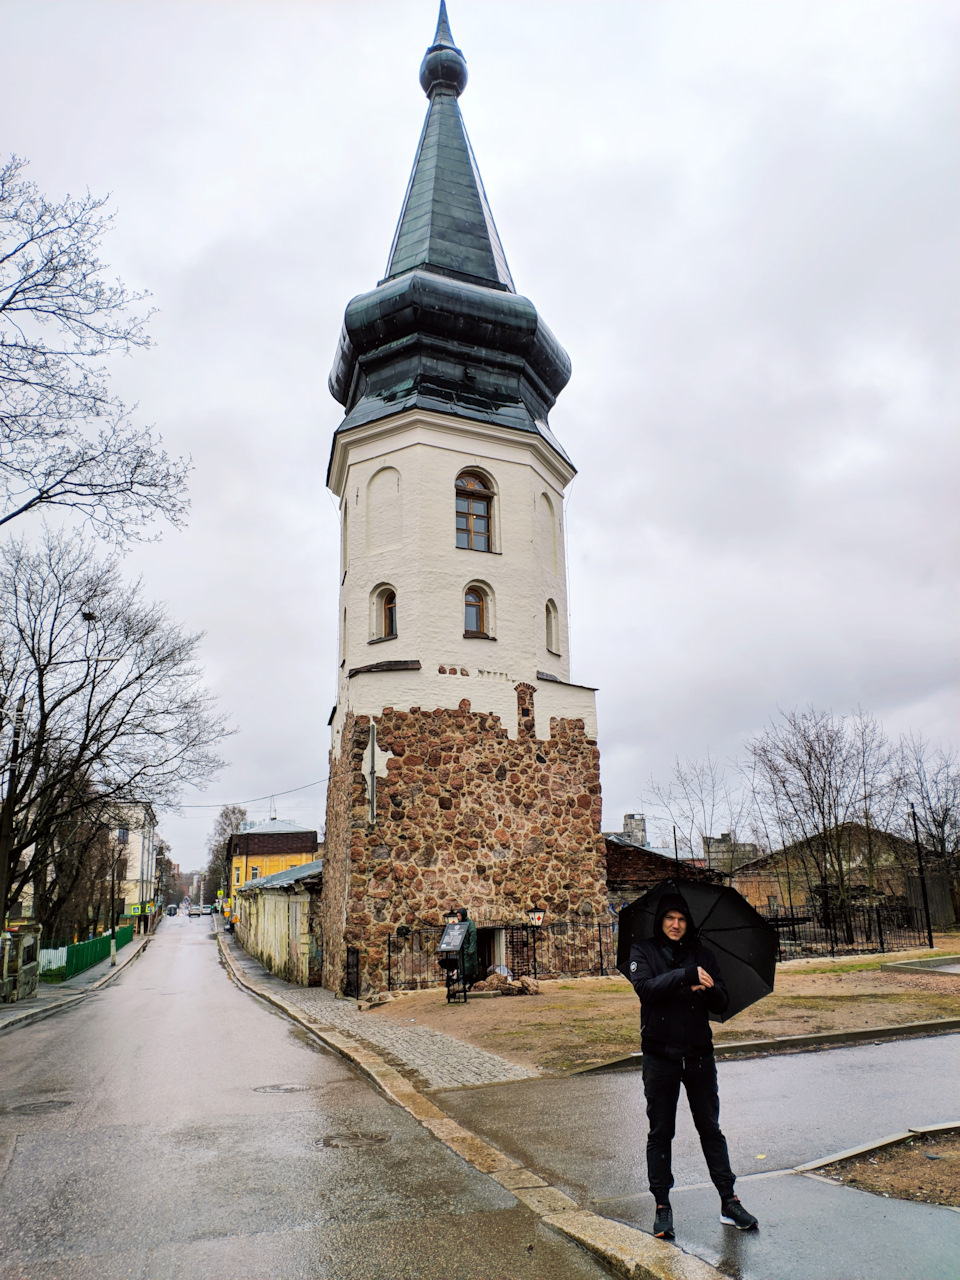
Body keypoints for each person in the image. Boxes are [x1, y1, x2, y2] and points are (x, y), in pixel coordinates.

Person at [628, 891, 758, 1240]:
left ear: (689, 923)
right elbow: (646, 989)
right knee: (660, 1133)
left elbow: (722, 1002)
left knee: (711, 1129)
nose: (675, 925)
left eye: (682, 919)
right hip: (660, 1057)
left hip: (699, 1056)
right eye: (670, 919)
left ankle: (728, 1200)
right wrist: (685, 975)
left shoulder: (703, 955)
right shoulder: (643, 951)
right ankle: (662, 1206)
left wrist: (710, 989)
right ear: (660, 922)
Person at [455, 907, 480, 988]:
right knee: (463, 968)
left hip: (468, 950)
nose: (458, 918)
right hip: (462, 950)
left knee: (469, 968)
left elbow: (472, 935)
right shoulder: (460, 923)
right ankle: (465, 984)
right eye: (457, 916)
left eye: (459, 916)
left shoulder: (470, 923)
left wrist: (471, 948)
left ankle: (471, 984)